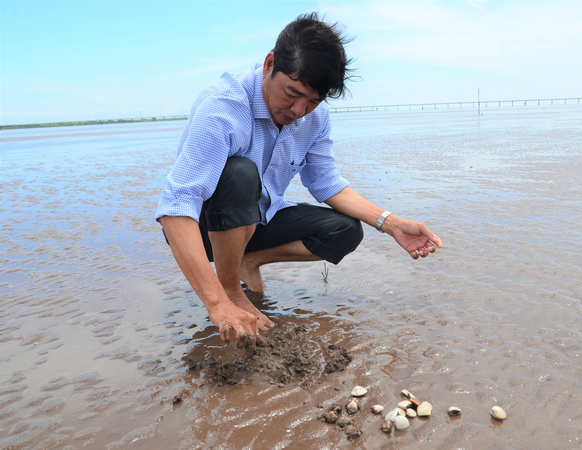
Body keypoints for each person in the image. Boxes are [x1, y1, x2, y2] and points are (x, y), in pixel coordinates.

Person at [155, 13, 443, 349]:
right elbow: (176, 208)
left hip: (257, 218)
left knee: (346, 230)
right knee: (240, 173)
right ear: (269, 64)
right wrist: (220, 302)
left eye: (313, 101)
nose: (298, 110)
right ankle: (231, 283)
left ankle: (250, 258)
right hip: (205, 229)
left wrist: (391, 224)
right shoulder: (223, 108)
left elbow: (325, 181)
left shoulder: (314, 116)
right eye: (291, 93)